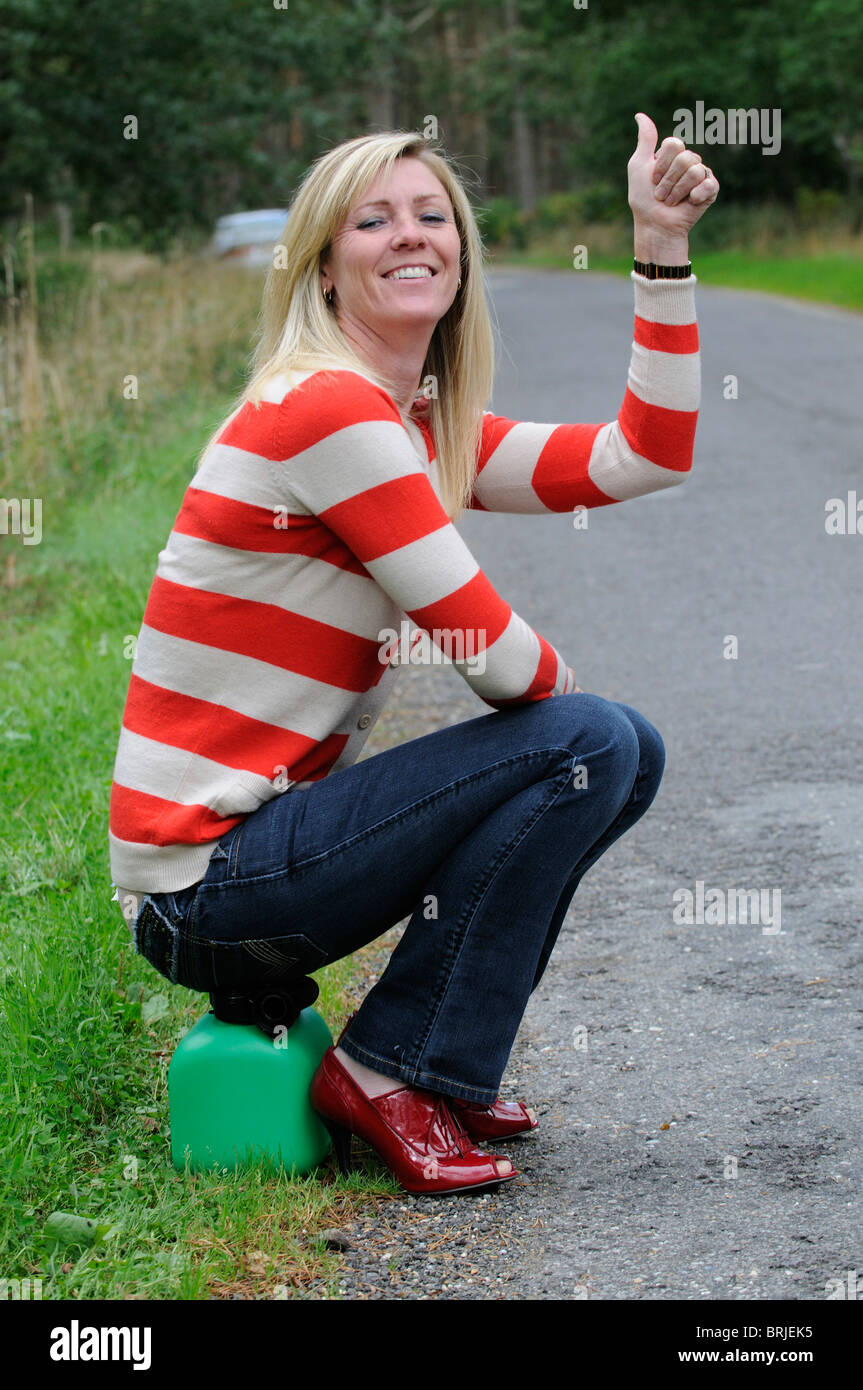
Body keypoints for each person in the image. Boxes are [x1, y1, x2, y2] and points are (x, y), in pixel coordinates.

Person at [109, 115, 718, 1196]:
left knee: (622, 747)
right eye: (372, 219)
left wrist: (658, 244)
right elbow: (501, 664)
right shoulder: (325, 408)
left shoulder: (406, 419)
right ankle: (389, 1064)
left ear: (461, 250)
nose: (410, 235)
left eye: (431, 216)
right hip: (204, 893)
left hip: (252, 866)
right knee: (585, 739)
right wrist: (559, 723)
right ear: (323, 263)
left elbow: (643, 454)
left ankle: (435, 1055)